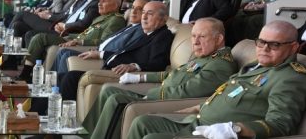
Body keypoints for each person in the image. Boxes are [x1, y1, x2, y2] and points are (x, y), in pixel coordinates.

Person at [128, 20, 306, 139]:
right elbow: (231, 93)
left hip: (218, 133)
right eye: (261, 42)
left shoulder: (291, 77)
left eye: (275, 45)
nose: (264, 48)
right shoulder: (255, 66)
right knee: (142, 122)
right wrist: (200, 107)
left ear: (294, 47)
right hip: (199, 120)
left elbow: (281, 125)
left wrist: (236, 129)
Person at [82, 17, 238, 139]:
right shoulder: (205, 55)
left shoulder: (220, 64)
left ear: (218, 39)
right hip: (161, 93)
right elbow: (174, 74)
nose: (195, 42)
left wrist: (150, 94)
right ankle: (87, 135)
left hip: (168, 99)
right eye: (193, 36)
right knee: (109, 91)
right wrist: (140, 78)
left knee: (116, 99)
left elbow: (186, 92)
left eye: (202, 36)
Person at [58, 1, 174, 101]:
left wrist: (135, 66)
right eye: (143, 13)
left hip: (126, 74)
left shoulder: (163, 36)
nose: (143, 17)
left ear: (163, 19)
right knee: (61, 77)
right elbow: (122, 52)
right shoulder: (147, 34)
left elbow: (158, 63)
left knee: (71, 77)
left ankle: (66, 118)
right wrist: (100, 54)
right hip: (112, 67)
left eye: (150, 14)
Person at [17, 0, 106, 81]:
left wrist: (64, 26)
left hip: (72, 34)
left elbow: (83, 24)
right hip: (63, 29)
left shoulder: (96, 5)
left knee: (38, 36)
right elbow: (67, 15)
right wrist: (58, 24)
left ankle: (26, 73)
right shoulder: (83, 1)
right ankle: (31, 71)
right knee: (29, 32)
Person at [51, 0, 149, 75]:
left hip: (105, 58)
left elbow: (121, 49)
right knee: (63, 51)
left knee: (65, 54)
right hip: (96, 50)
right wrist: (70, 36)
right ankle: (51, 84)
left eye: (139, 9)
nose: (134, 11)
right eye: (133, 7)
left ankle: (56, 89)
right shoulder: (129, 26)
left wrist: (98, 52)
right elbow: (88, 34)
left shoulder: (123, 22)